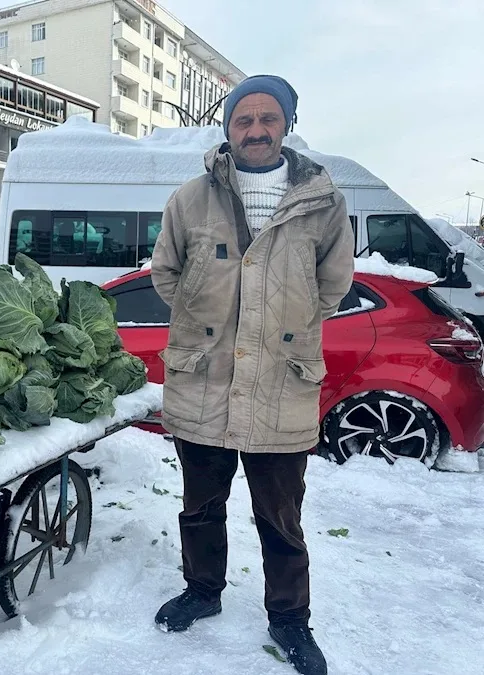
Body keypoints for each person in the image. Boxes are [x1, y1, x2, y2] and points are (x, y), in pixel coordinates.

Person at [150, 75, 354, 675]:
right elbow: (167, 273)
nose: (257, 130)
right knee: (199, 507)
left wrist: (284, 324)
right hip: (204, 379)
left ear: (286, 124)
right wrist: (203, 314)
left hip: (280, 385)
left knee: (281, 516)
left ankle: (290, 618)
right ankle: (203, 591)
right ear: (228, 128)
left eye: (268, 118)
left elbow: (333, 283)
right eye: (244, 120)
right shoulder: (190, 198)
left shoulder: (323, 201)